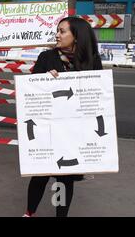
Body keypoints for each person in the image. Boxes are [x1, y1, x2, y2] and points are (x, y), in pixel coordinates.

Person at [23, 16, 103, 217]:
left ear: (76, 36)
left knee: (65, 178)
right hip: (48, 128)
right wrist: (44, 80)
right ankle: (29, 213)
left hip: (74, 131)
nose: (57, 35)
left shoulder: (91, 61)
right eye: (57, 31)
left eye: (62, 31)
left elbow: (96, 96)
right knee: (40, 174)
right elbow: (31, 93)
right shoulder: (46, 57)